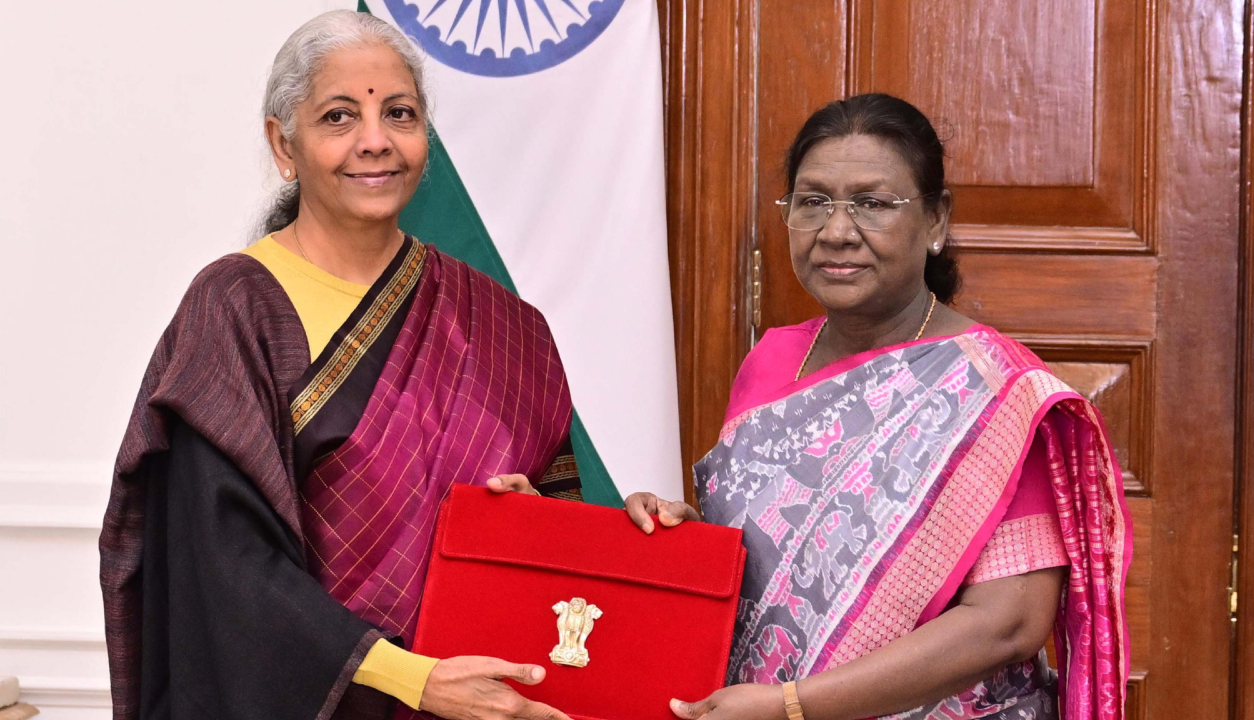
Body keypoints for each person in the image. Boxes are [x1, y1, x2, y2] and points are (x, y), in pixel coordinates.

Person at [100, 11, 581, 720]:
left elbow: (561, 545)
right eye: (338, 116)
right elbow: (222, 566)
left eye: (399, 112)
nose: (376, 141)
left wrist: (589, 530)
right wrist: (410, 677)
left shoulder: (507, 326)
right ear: (282, 143)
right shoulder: (236, 308)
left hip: (485, 703)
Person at [625, 94, 1131, 720]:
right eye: (812, 202)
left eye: (873, 204)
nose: (837, 231)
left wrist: (791, 708)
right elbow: (779, 568)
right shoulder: (771, 360)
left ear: (936, 221)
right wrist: (677, 536)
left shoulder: (996, 391)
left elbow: (1009, 624)